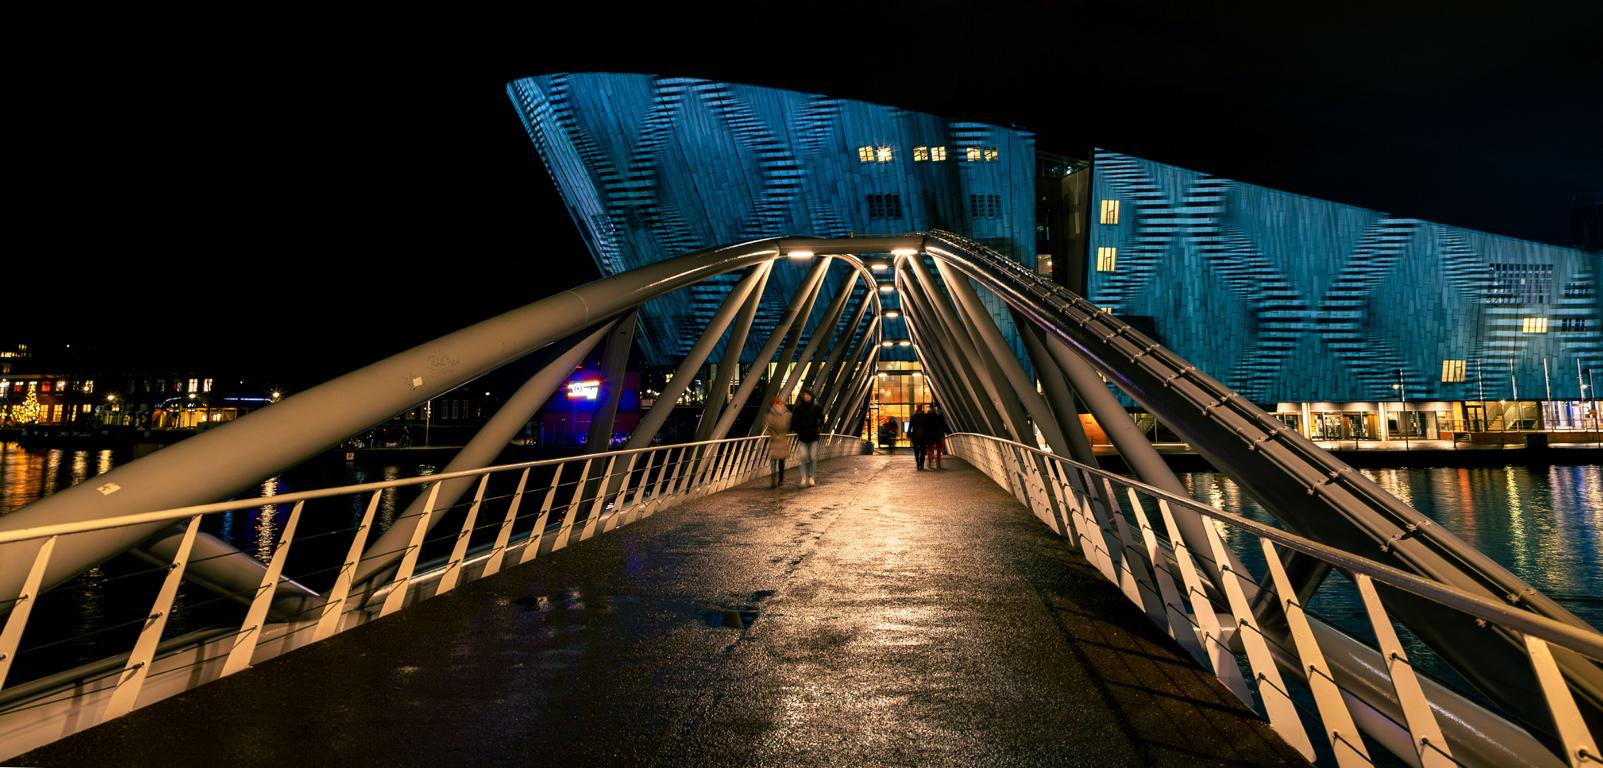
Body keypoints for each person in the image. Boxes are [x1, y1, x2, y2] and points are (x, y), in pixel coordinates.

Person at [790, 389, 823, 486]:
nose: (806, 397)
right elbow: (793, 421)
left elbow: (822, 419)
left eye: (808, 395)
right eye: (805, 395)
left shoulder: (817, 408)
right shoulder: (798, 409)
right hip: (802, 437)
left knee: (812, 457)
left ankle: (811, 477)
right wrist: (797, 430)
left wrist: (819, 428)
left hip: (813, 436)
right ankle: (803, 478)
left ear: (811, 396)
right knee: (803, 457)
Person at [763, 397, 791, 487]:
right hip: (776, 441)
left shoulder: (786, 415)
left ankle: (779, 479)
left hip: (779, 441)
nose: (777, 405)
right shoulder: (784, 415)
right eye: (775, 404)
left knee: (780, 461)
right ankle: (775, 479)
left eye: (778, 403)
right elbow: (767, 428)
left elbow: (788, 426)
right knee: (775, 461)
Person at [925, 404, 949, 469]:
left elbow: (925, 426)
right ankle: (938, 463)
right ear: (935, 409)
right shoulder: (939, 416)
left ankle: (930, 461)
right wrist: (946, 432)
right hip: (938, 434)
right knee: (939, 449)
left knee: (930, 448)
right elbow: (943, 425)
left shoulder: (927, 416)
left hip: (930, 435)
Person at [909, 404, 930, 470]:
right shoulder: (925, 416)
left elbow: (910, 426)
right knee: (923, 451)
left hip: (915, 436)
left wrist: (909, 433)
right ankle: (922, 464)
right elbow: (927, 427)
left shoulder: (913, 416)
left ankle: (918, 464)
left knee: (916, 451)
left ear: (917, 407)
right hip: (923, 436)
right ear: (922, 408)